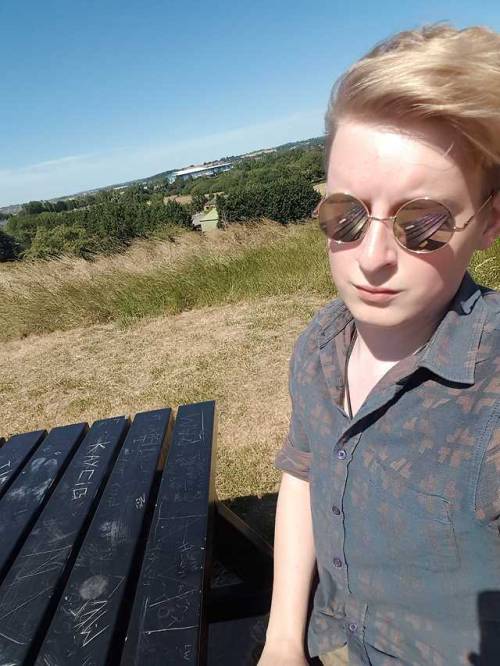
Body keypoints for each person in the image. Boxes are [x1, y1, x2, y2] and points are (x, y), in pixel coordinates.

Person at [258, 23, 500, 666]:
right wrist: (283, 639)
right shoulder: (321, 344)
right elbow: (302, 476)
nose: (371, 259)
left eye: (423, 224)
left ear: (490, 223)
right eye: (346, 216)